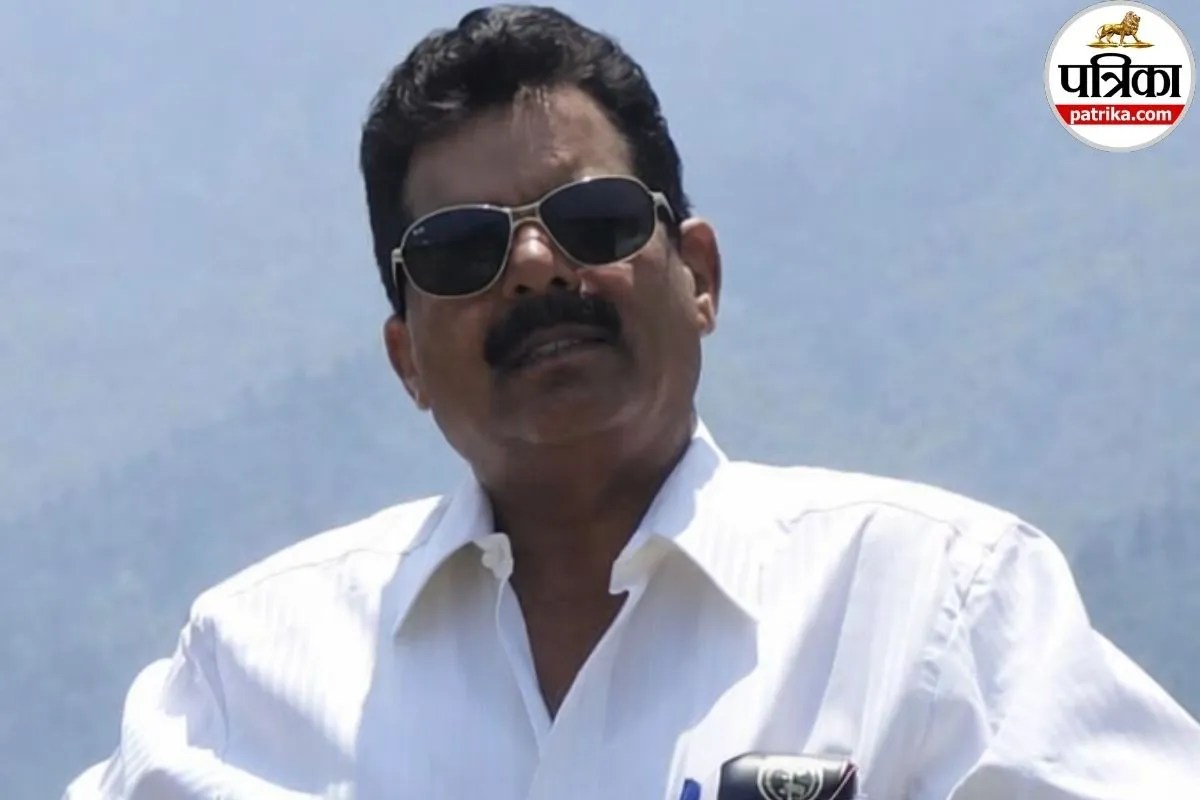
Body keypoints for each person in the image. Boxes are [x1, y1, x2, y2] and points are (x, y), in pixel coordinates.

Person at [65, 5, 1200, 799]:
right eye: (460, 249)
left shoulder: (937, 606)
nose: (534, 267)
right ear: (405, 356)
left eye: (594, 219)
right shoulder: (250, 670)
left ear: (697, 275)